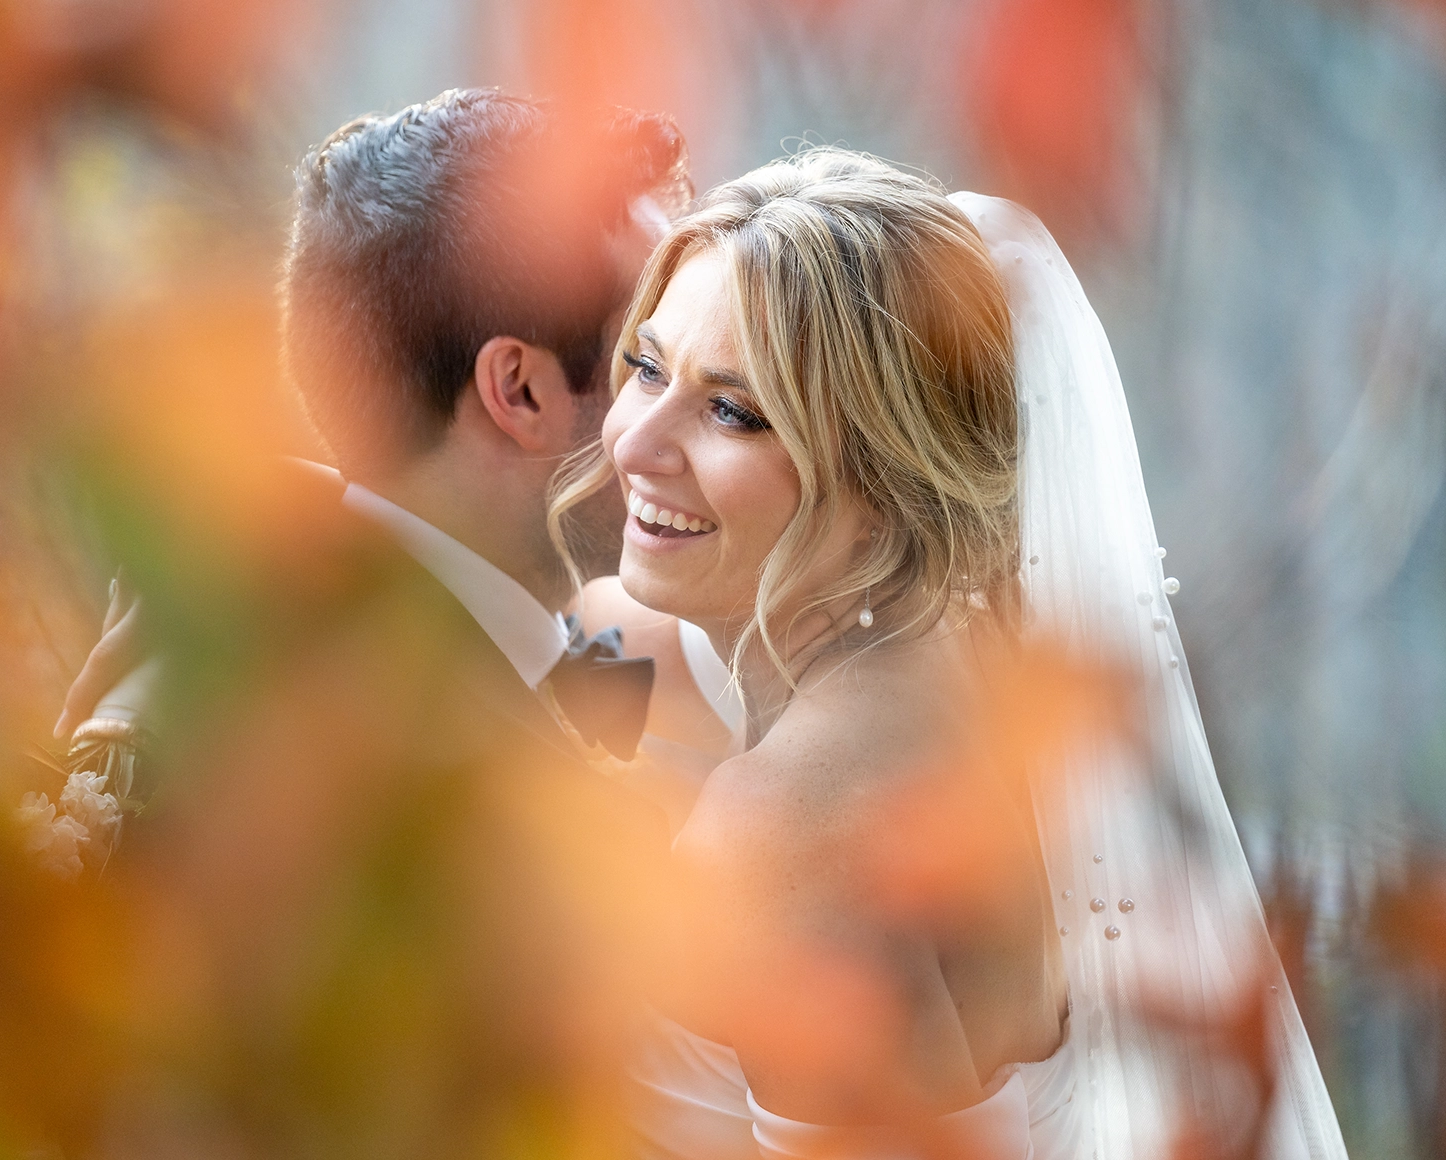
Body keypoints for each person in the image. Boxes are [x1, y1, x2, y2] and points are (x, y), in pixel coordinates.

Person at [548, 148, 1347, 1159]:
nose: (633, 443)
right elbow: (606, 633)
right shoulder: (978, 657)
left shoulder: (782, 825)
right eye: (648, 367)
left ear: (885, 485)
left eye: (733, 411)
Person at [46, 88, 705, 1154]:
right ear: (521, 392)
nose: (704, 413)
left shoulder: (268, 633)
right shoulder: (363, 770)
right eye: (650, 363)